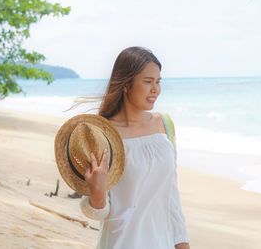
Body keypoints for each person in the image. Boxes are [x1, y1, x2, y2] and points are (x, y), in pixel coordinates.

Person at [79, 46, 190, 249]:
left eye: (158, 82)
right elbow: (96, 212)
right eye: (148, 82)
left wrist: (182, 244)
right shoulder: (104, 135)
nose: (155, 89)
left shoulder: (164, 125)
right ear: (126, 85)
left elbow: (171, 196)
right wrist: (97, 191)